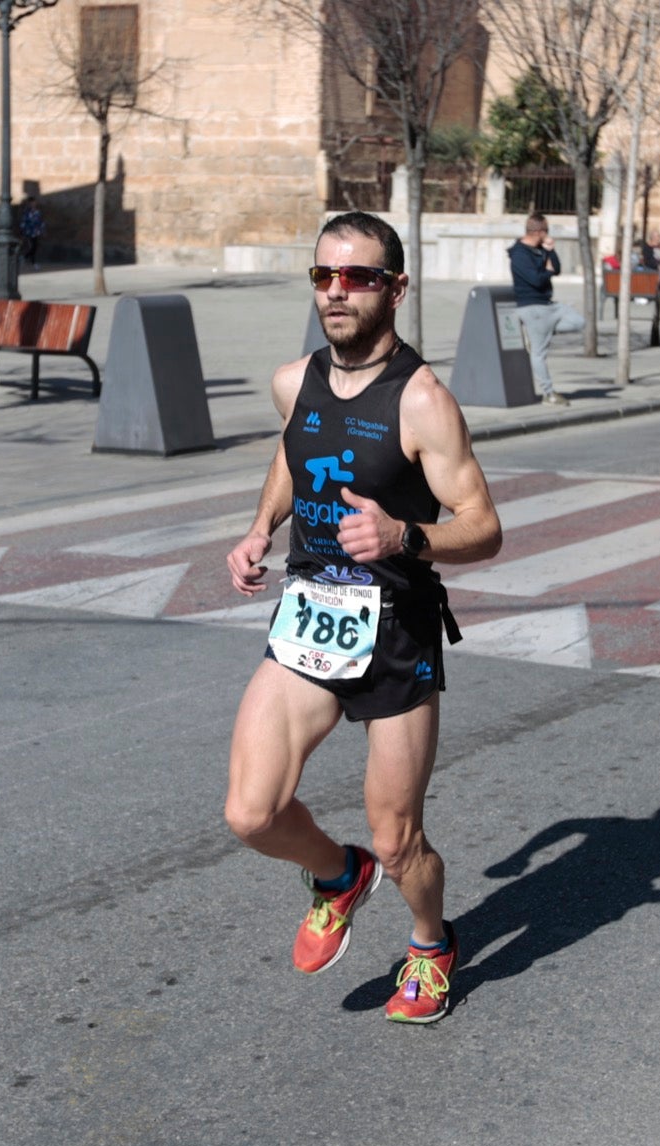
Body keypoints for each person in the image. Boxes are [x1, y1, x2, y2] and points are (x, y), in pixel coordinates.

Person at [222, 210, 502, 1026]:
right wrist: (259, 527)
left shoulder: (423, 402)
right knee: (251, 812)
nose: (337, 292)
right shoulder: (294, 380)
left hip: (397, 634)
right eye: (324, 276)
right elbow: (292, 450)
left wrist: (404, 534)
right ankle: (337, 875)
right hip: (311, 615)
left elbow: (484, 526)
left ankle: (429, 939)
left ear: (397, 288)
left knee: (399, 839)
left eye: (359, 277)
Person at [507, 213, 585, 406]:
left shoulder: (541, 249)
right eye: (546, 231)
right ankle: (549, 393)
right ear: (538, 232)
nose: (548, 234)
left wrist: (550, 251)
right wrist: (547, 271)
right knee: (539, 353)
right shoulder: (519, 253)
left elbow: (556, 269)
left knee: (579, 321)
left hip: (549, 305)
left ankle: (540, 331)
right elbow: (535, 279)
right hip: (532, 306)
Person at [18, 196, 45, 269]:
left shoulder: (37, 212)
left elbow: (40, 221)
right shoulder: (27, 212)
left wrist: (42, 229)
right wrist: (23, 231)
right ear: (29, 203)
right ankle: (33, 263)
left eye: (34, 202)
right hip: (28, 231)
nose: (34, 204)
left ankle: (24, 258)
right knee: (33, 247)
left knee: (34, 247)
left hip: (36, 232)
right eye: (32, 203)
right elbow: (23, 222)